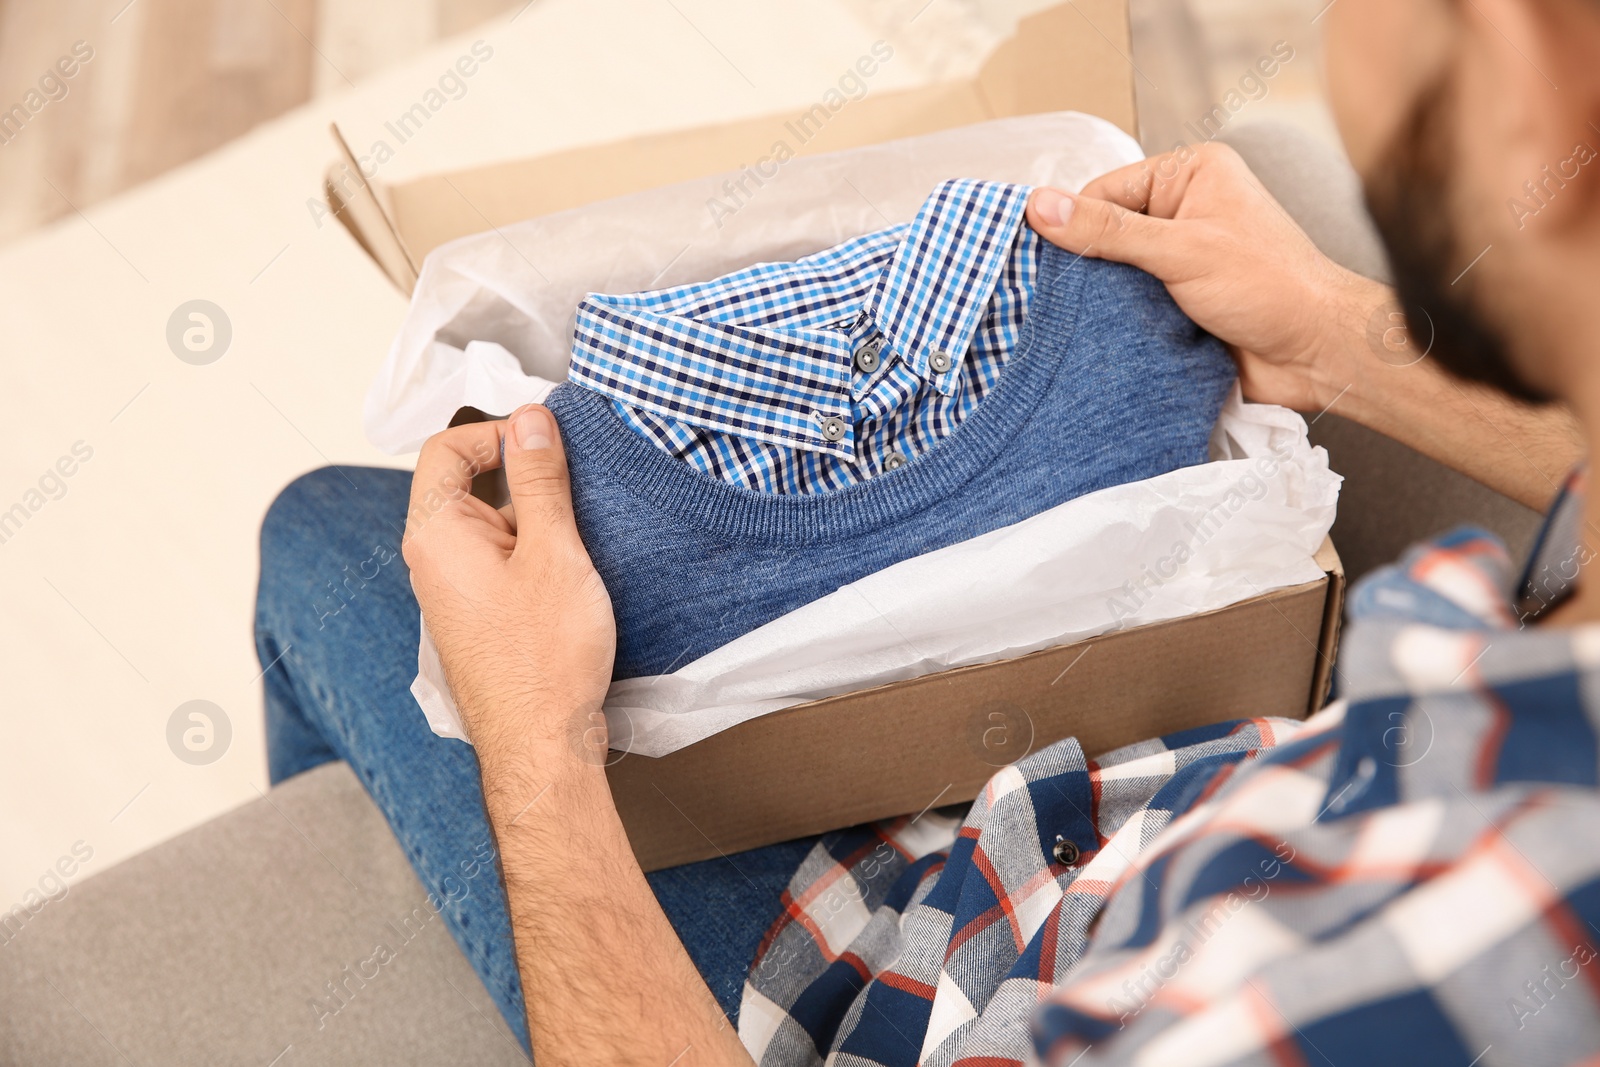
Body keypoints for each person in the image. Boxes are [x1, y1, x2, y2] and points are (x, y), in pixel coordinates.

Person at [254, 0, 1600, 1062]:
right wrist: (1350, 338)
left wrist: (538, 758)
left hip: (862, 988)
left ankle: (339, 932)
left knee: (327, 530)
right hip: (1155, 773)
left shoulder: (1387, 987)